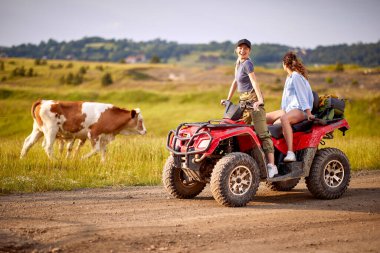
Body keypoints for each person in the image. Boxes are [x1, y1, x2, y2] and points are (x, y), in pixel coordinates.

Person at [221, 39, 278, 178]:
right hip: (243, 101)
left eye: (246, 48)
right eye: (240, 48)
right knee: (237, 129)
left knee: (263, 133)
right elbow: (235, 81)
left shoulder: (248, 63)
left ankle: (272, 166)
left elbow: (254, 81)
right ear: (236, 50)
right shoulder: (238, 63)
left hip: (253, 101)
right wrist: (228, 99)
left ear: (249, 51)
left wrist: (260, 100)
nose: (243, 50)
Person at [266, 52, 314, 162]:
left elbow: (302, 96)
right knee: (265, 119)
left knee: (284, 119)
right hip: (289, 110)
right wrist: (282, 111)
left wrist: (309, 113)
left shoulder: (296, 76)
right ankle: (270, 153)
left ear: (284, 64)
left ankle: (290, 152)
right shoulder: (289, 77)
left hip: (300, 110)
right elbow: (286, 99)